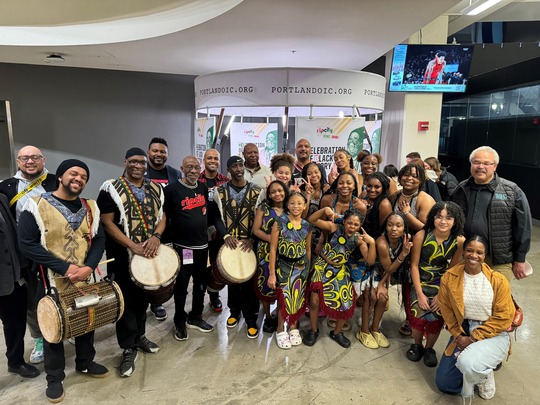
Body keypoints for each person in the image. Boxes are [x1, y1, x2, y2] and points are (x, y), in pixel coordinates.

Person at [18, 159, 109, 403]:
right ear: (60, 176)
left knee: (87, 319)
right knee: (54, 328)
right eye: (73, 173)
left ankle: (85, 362)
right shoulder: (36, 204)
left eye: (83, 176)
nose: (78, 179)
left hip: (85, 277)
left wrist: (88, 266)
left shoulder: (91, 207)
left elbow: (99, 239)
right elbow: (27, 244)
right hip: (50, 280)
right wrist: (65, 267)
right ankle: (54, 377)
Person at [97, 147, 166, 378]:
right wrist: (132, 245)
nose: (138, 166)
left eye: (142, 163)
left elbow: (163, 216)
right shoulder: (110, 188)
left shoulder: (155, 187)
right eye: (134, 161)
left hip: (148, 255)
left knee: (144, 298)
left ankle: (140, 336)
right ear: (125, 161)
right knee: (125, 303)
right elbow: (107, 223)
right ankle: (128, 347)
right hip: (123, 256)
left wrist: (156, 237)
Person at [435, 236, 514, 404]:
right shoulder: (449, 278)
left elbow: (504, 316)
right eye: (469, 250)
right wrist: (458, 336)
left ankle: (483, 372)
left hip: (491, 332)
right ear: (463, 252)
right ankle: (479, 368)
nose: (473, 255)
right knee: (444, 383)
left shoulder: (498, 280)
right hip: (462, 331)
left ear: (485, 256)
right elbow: (447, 311)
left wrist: (473, 338)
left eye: (479, 252)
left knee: (468, 363)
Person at [0, 145, 57, 365]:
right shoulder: (6, 187)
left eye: (34, 157)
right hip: (26, 256)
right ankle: (39, 337)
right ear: (18, 161)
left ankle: (65, 328)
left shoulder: (56, 181)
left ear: (43, 159)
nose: (30, 161)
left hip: (58, 251)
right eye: (24, 158)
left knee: (63, 293)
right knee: (33, 301)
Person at [450, 146, 532, 281]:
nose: (480, 166)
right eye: (476, 162)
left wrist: (520, 259)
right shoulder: (461, 189)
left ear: (495, 166)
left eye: (486, 163)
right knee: (464, 297)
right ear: (471, 164)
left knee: (497, 299)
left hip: (498, 261)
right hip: (466, 256)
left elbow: (523, 227)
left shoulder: (511, 191)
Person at [165, 155, 217, 341]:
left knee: (201, 284)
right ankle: (179, 318)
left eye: (196, 167)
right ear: (182, 168)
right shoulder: (172, 190)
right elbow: (165, 217)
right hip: (184, 248)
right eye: (189, 167)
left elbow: (209, 214)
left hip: (203, 247)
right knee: (182, 285)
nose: (193, 171)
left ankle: (195, 316)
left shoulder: (203, 187)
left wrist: (213, 230)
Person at [307, 207, 375, 348]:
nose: (352, 227)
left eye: (356, 225)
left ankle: (337, 333)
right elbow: (311, 220)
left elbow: (370, 261)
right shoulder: (333, 227)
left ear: (360, 226)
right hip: (322, 265)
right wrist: (324, 210)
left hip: (340, 269)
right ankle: (313, 330)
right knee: (314, 300)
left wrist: (372, 243)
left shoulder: (359, 240)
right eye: (350, 223)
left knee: (347, 302)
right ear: (344, 221)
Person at [407, 202, 465, 368]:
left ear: (456, 220)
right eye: (439, 216)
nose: (443, 221)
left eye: (448, 218)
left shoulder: (459, 241)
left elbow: (452, 270)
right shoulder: (422, 235)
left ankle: (429, 349)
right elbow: (414, 265)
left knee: (436, 314)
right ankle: (417, 345)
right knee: (418, 310)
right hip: (420, 280)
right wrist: (419, 293)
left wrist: (441, 295)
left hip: (441, 283)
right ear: (432, 217)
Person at [213, 156, 262, 338]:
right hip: (230, 243)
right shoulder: (220, 191)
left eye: (241, 165)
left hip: (249, 243)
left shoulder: (257, 191)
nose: (239, 168)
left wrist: (253, 239)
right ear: (228, 170)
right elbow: (216, 217)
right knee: (232, 279)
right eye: (234, 165)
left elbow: (261, 217)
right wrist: (225, 235)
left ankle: (251, 317)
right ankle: (234, 312)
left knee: (250, 281)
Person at [0, 194, 40, 379]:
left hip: (11, 276)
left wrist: (22, 269)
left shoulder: (1, 197)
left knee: (14, 322)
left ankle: (15, 362)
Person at [144, 137, 182, 321]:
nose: (159, 154)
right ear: (149, 152)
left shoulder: (175, 174)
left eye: (162, 152)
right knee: (150, 266)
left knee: (166, 266)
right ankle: (152, 302)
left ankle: (162, 300)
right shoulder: (140, 173)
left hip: (171, 228)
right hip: (147, 229)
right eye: (155, 151)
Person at [268, 192, 312, 349]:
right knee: (284, 300)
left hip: (301, 268)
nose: (296, 206)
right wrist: (272, 273)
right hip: (284, 267)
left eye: (299, 203)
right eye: (292, 203)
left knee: (298, 298)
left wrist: (307, 269)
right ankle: (280, 329)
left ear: (305, 205)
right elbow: (273, 249)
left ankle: (293, 326)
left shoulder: (307, 225)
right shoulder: (279, 222)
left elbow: (308, 249)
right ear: (287, 205)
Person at [368, 213, 413, 348]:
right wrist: (403, 254)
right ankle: (367, 327)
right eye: (390, 225)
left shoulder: (405, 240)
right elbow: (388, 268)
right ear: (385, 227)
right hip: (374, 271)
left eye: (398, 226)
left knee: (382, 297)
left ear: (404, 228)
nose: (394, 229)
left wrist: (384, 283)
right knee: (376, 297)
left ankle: (375, 329)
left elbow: (391, 269)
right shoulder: (381, 243)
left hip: (387, 273)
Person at [252, 180, 288, 334]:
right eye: (273, 192)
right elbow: (256, 230)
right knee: (266, 284)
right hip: (265, 252)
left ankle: (280, 317)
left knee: (282, 286)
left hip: (286, 253)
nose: (277, 194)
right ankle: (267, 316)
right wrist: (271, 240)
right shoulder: (264, 207)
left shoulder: (290, 207)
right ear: (269, 194)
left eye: (280, 190)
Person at [198, 148, 229, 313]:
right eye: (209, 158)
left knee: (217, 267)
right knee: (201, 267)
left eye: (216, 158)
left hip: (218, 232)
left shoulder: (225, 181)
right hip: (199, 233)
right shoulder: (196, 180)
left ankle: (214, 297)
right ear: (204, 160)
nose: (213, 161)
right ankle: (198, 300)